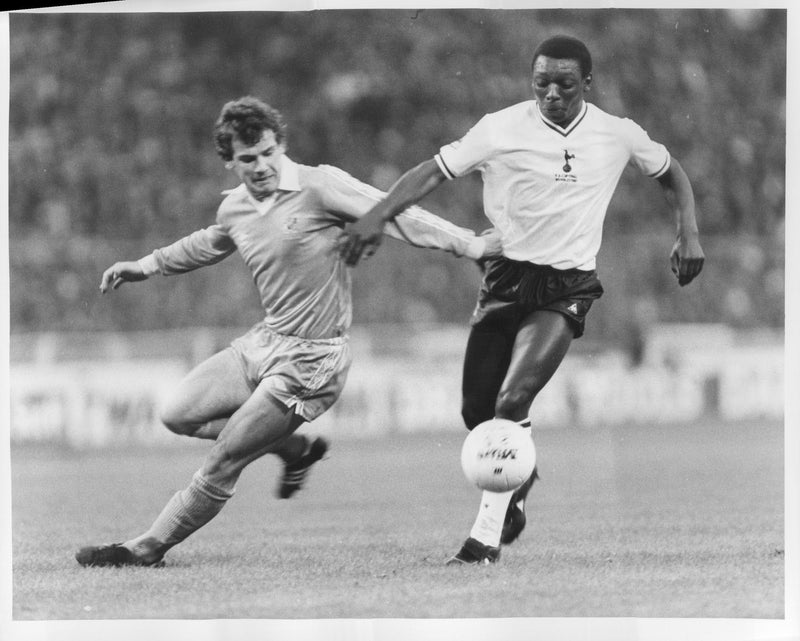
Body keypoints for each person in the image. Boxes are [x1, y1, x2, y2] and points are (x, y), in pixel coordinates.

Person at [76, 95, 501, 567]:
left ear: (280, 145)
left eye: (267, 153)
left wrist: (470, 244)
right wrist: (146, 264)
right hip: (265, 342)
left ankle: (146, 548)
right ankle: (292, 448)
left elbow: (392, 211)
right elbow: (211, 243)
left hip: (313, 360)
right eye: (247, 159)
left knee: (225, 459)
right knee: (177, 414)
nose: (260, 166)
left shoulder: (318, 185)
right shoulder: (235, 208)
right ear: (229, 162)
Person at [341, 35, 705, 565]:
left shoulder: (616, 134)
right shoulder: (499, 128)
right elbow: (431, 172)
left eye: (564, 83)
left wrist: (688, 231)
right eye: (541, 82)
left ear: (587, 83)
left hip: (568, 287)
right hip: (505, 280)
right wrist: (376, 215)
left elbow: (671, 171)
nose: (551, 93)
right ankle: (520, 475)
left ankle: (482, 541)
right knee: (477, 414)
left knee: (512, 403)